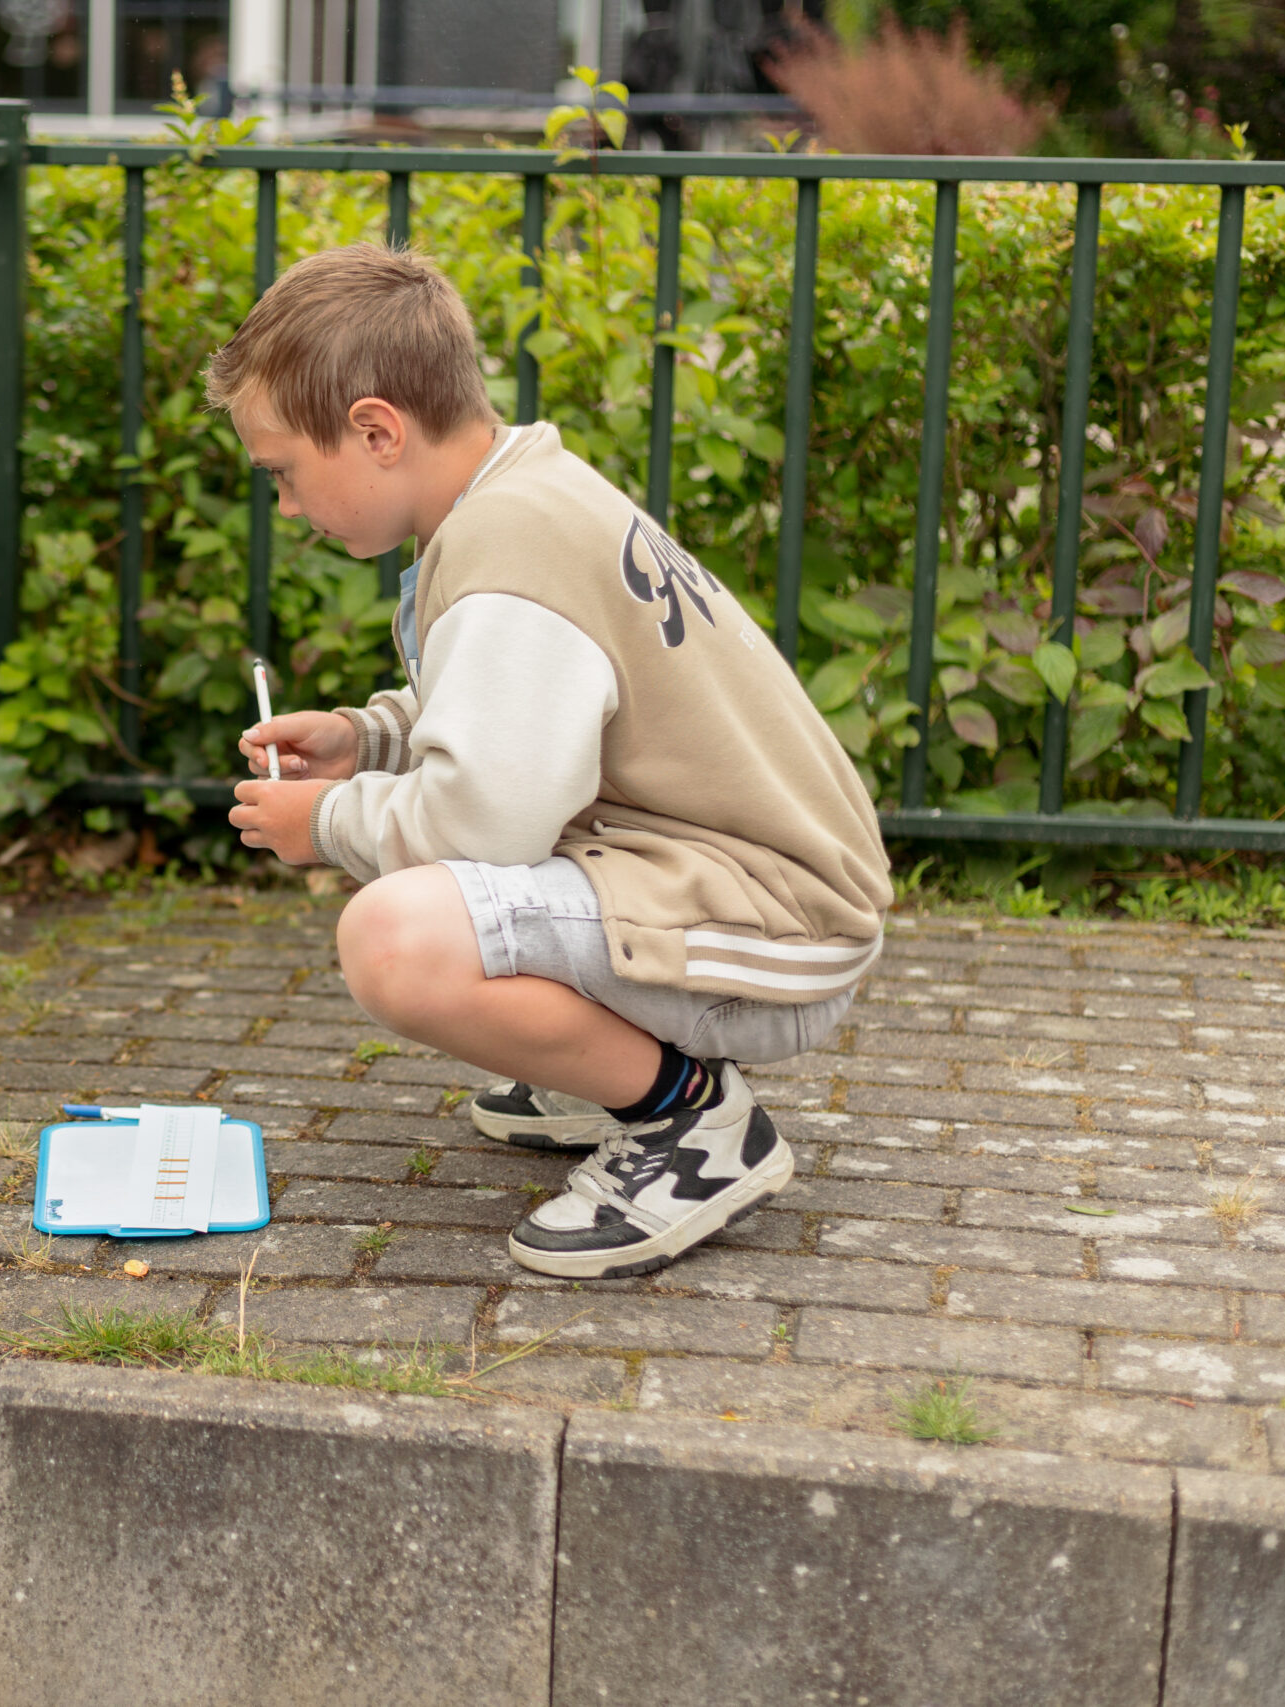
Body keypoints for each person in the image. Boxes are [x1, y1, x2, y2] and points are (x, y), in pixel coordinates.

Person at [214, 243, 890, 1279]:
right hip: (754, 889)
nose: (289, 507)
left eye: (286, 474)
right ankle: (605, 1073)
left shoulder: (505, 549)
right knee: (433, 914)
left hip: (777, 927)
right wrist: (370, 736)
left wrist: (329, 822)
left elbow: (485, 822)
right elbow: (534, 712)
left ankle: (688, 1124)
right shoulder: (526, 494)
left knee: (397, 939)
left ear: (375, 431)